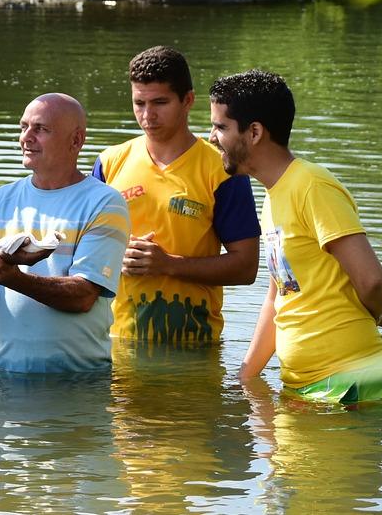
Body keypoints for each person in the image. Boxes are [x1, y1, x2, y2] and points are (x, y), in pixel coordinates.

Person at [208, 69, 382, 405]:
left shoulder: (312, 186)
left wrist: (368, 312)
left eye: (220, 126)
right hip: (309, 389)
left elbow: (371, 282)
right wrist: (245, 379)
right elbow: (279, 297)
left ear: (254, 132)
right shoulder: (274, 196)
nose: (211, 137)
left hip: (348, 387)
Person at [92, 46, 259, 344]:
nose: (147, 115)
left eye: (160, 102)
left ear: (188, 100)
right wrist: (113, 257)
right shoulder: (109, 162)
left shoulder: (222, 168)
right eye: (139, 103)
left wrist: (168, 264)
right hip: (115, 344)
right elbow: (86, 252)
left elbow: (246, 267)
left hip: (194, 348)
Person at [0, 93, 130, 373]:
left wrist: (12, 278)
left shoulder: (105, 203)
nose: (26, 138)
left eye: (40, 129)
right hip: (3, 377)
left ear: (76, 140)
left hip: (77, 380)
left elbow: (83, 295)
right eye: (23, 127)